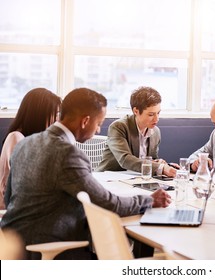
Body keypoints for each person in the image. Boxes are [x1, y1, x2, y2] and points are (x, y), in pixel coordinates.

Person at [0, 88, 171, 259]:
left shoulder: (25, 142)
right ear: (85, 121)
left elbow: (10, 199)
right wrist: (149, 200)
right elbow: (107, 203)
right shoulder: (67, 153)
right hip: (46, 248)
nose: (97, 130)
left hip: (10, 243)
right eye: (98, 124)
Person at [0, 88, 61, 210]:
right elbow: (26, 183)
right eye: (55, 113)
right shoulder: (16, 138)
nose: (57, 119)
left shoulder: (29, 139)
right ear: (39, 113)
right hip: (11, 210)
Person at [96, 86, 178, 176]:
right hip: (109, 177)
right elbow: (125, 159)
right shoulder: (118, 127)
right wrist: (160, 168)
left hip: (137, 179)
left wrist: (160, 163)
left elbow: (151, 160)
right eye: (151, 114)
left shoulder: (155, 132)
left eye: (158, 113)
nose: (156, 119)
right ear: (136, 111)